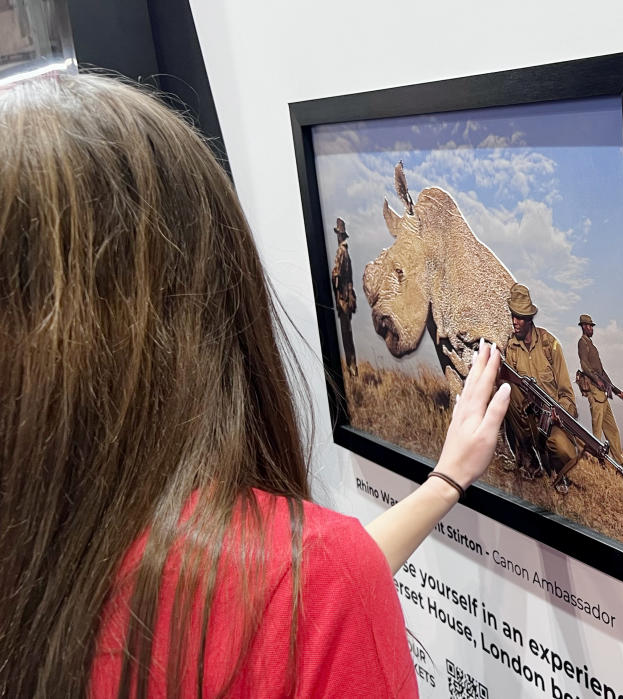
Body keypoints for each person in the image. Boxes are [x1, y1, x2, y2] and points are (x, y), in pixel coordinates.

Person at [0, 72, 510, 698]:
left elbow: (290, 600)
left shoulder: (42, 542)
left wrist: (445, 482)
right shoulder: (302, 580)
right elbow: (297, 602)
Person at [502, 283, 579, 482]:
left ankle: (552, 465)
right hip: (528, 420)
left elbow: (567, 396)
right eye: (513, 316)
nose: (514, 322)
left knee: (565, 451)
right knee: (506, 387)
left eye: (519, 317)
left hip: (552, 420)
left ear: (529, 319)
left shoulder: (550, 345)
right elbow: (514, 394)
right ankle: (529, 459)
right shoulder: (512, 347)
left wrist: (558, 414)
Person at [575, 314, 623, 467]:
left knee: (612, 429)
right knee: (597, 429)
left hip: (602, 393)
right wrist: (597, 380)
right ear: (583, 327)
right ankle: (594, 460)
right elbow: (585, 366)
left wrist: (618, 392)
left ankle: (619, 462)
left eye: (592, 326)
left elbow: (602, 372)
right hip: (595, 391)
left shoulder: (592, 346)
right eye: (588, 326)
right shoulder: (582, 343)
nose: (591, 328)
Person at [331, 217, 359, 377]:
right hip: (347, 297)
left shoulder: (341, 251)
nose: (337, 236)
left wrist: (332, 276)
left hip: (343, 298)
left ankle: (352, 368)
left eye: (338, 233)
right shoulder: (345, 252)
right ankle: (353, 368)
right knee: (348, 334)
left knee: (346, 335)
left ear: (340, 235)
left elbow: (337, 274)